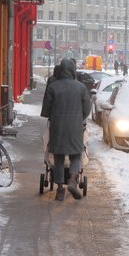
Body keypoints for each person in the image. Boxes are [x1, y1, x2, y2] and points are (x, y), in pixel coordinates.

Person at [41, 58, 91, 201]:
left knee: (58, 159)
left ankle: (60, 190)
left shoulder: (53, 87)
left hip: (57, 127)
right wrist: (78, 116)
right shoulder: (81, 87)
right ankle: (73, 179)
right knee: (76, 155)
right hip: (75, 127)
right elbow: (87, 109)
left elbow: (46, 110)